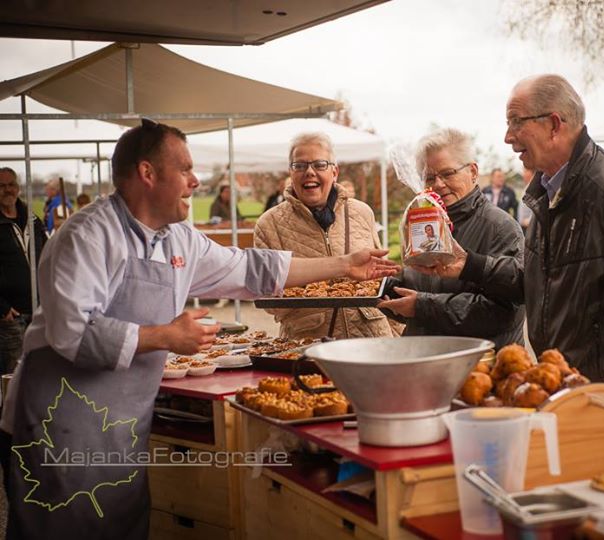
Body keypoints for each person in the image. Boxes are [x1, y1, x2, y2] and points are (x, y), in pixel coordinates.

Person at [0, 119, 397, 540]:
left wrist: (344, 265)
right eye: (185, 169)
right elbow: (73, 333)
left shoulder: (178, 238)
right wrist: (165, 337)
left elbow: (251, 268)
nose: (195, 181)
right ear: (147, 173)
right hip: (57, 427)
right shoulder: (87, 235)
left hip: (121, 425)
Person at [420, 75, 604, 407]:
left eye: (516, 122)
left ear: (554, 125)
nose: (507, 136)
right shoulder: (548, 193)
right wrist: (469, 265)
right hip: (570, 389)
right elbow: (537, 281)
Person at [378, 128, 525, 349]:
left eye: (448, 174)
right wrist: (384, 286)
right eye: (429, 177)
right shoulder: (420, 223)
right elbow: (418, 294)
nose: (438, 184)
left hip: (478, 363)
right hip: (424, 358)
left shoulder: (500, 228)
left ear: (473, 172)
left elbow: (502, 312)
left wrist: (421, 306)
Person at [254, 132, 398, 339]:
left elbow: (381, 280)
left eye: (320, 165)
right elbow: (268, 298)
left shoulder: (361, 212)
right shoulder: (269, 224)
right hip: (308, 342)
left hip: (372, 338)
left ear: (334, 172)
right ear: (291, 173)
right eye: (300, 166)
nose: (309, 172)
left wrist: (397, 335)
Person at [0, 167, 47, 375]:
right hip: (10, 316)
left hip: (38, 310)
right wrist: (2, 308)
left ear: (18, 188)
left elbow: (47, 254)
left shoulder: (32, 220)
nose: (7, 190)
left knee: (40, 370)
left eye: (11, 185)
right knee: (14, 374)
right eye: (1, 186)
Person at [517, 167, 534, 232]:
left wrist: (529, 222)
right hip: (524, 228)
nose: (523, 174)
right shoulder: (526, 188)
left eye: (525, 172)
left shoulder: (533, 189)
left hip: (529, 228)